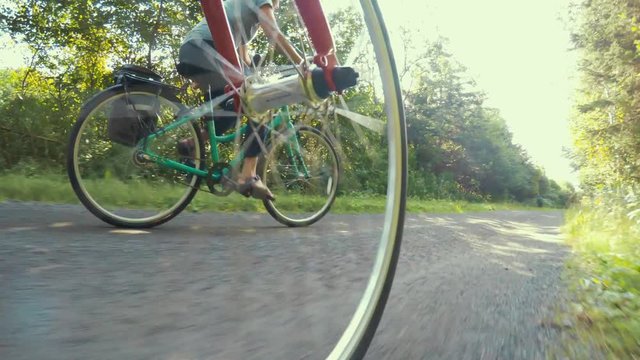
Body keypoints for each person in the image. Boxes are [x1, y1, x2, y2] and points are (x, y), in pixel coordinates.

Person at [176, 0, 303, 200]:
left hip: (195, 51)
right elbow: (273, 33)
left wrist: (255, 71)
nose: (276, 6)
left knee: (234, 109)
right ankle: (248, 176)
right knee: (261, 101)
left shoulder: (243, 17)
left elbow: (243, 59)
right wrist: (302, 64)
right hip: (207, 49)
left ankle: (191, 143)